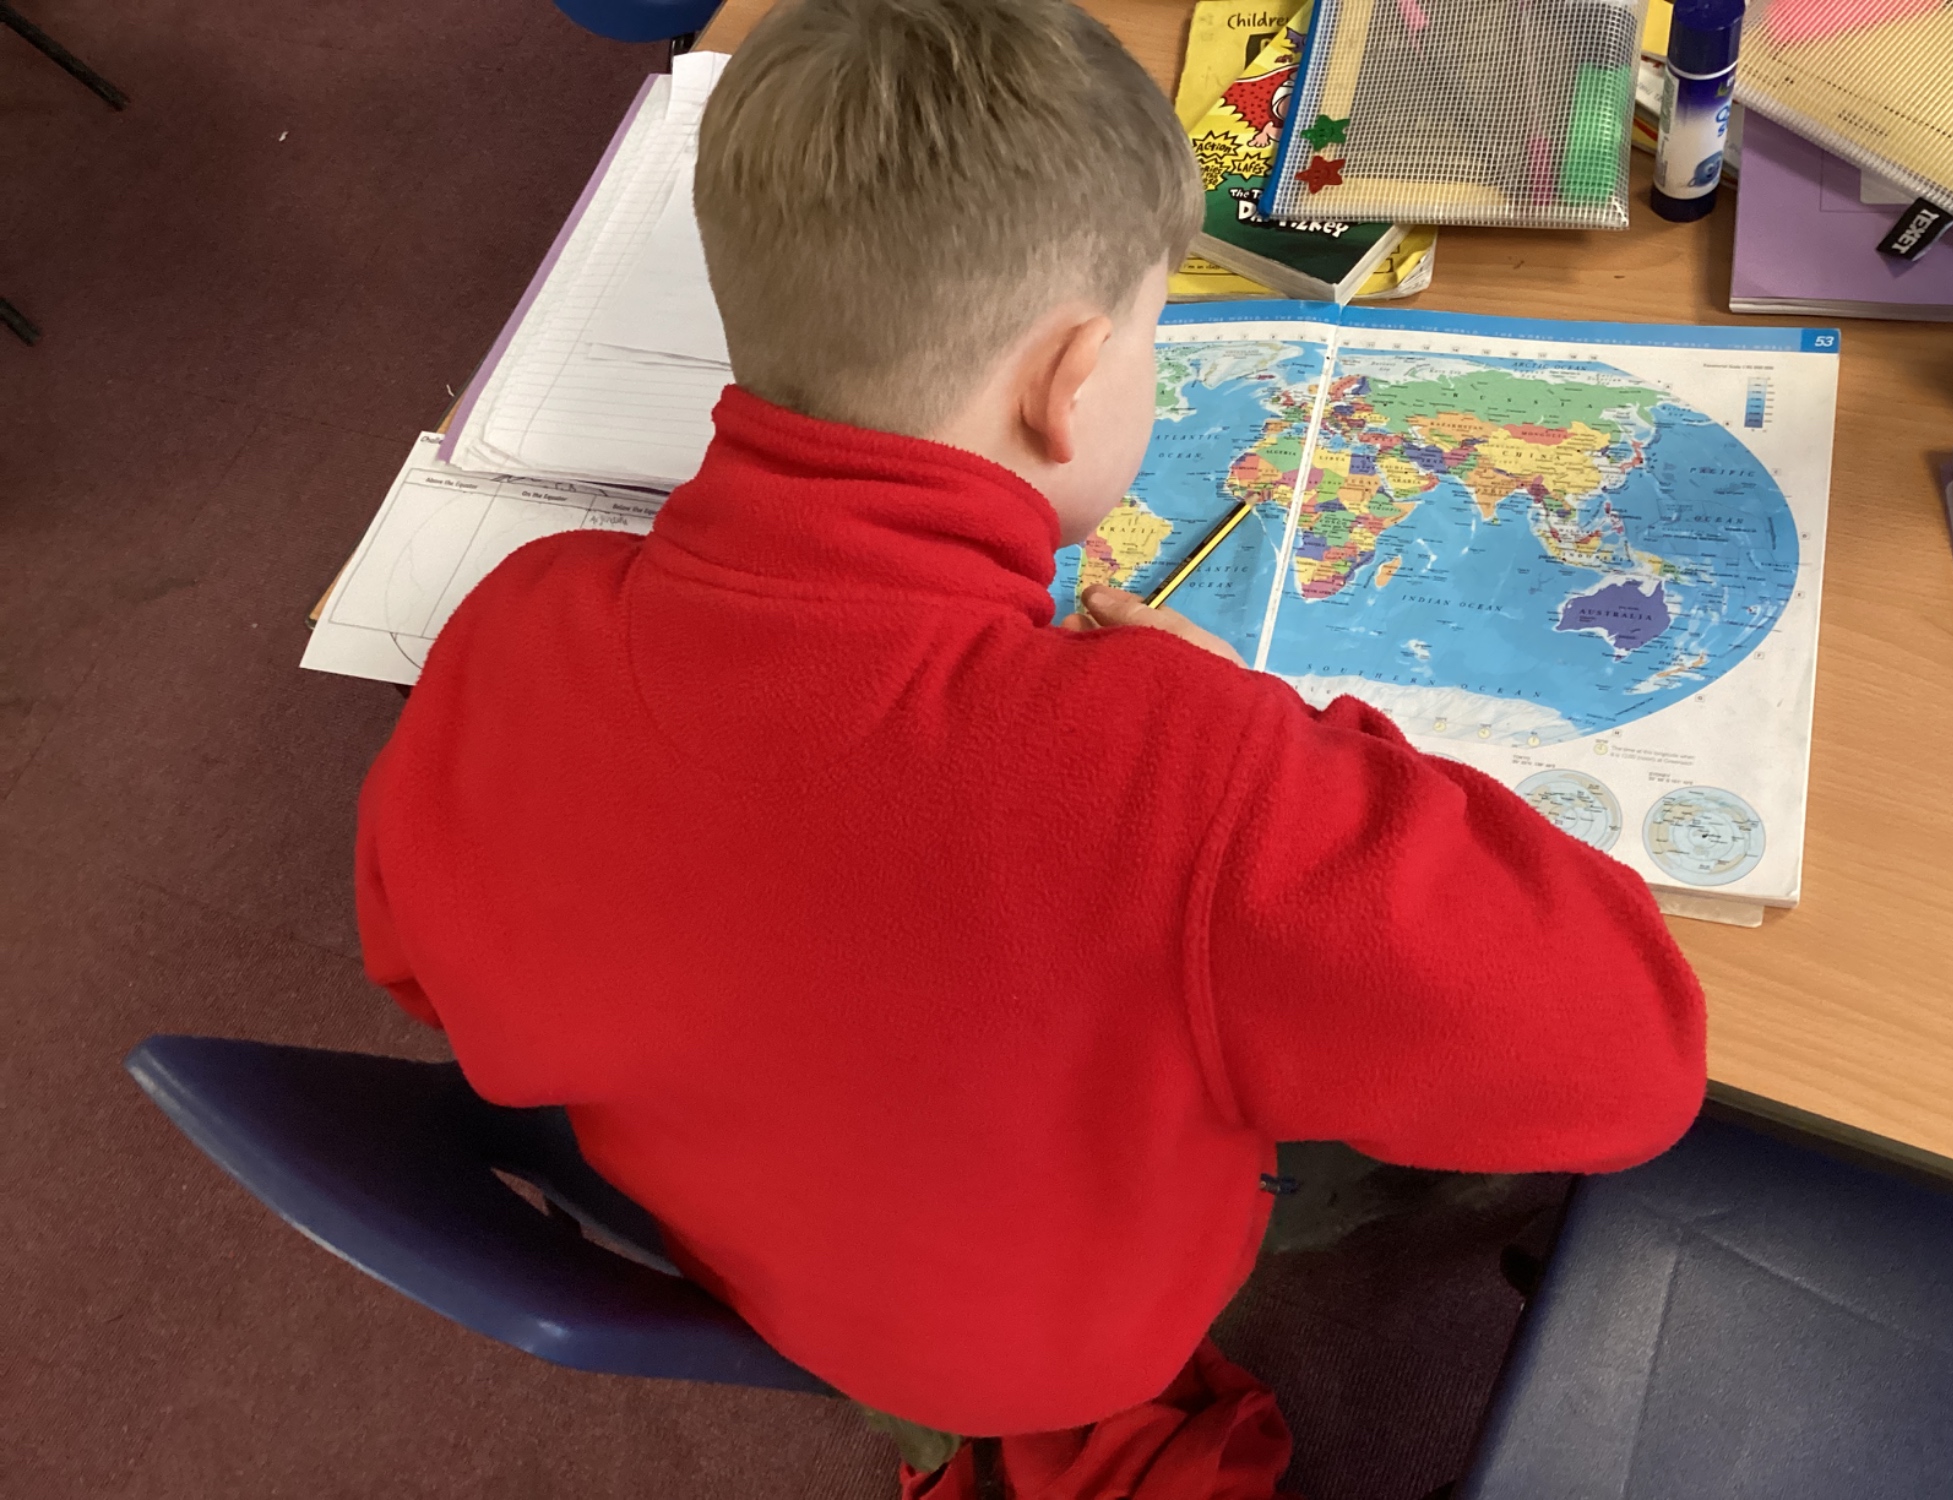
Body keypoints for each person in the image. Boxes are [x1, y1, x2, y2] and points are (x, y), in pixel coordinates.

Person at [354, 0, 1706, 1491]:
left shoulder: (517, 616)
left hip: (742, 1247)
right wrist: (1282, 733)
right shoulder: (1188, 769)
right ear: (1070, 385)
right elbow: (1637, 1064)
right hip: (1059, 1352)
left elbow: (415, 968)